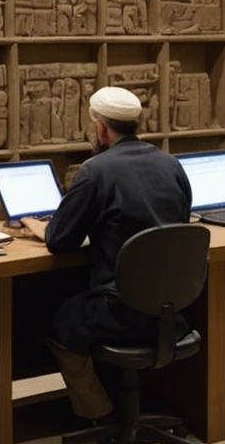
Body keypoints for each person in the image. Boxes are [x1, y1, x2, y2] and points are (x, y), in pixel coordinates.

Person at [29, 87, 193, 421]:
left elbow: (60, 241)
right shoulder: (171, 164)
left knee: (54, 318)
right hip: (170, 309)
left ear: (102, 128)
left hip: (118, 309)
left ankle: (98, 412)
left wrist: (36, 224)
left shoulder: (96, 170)